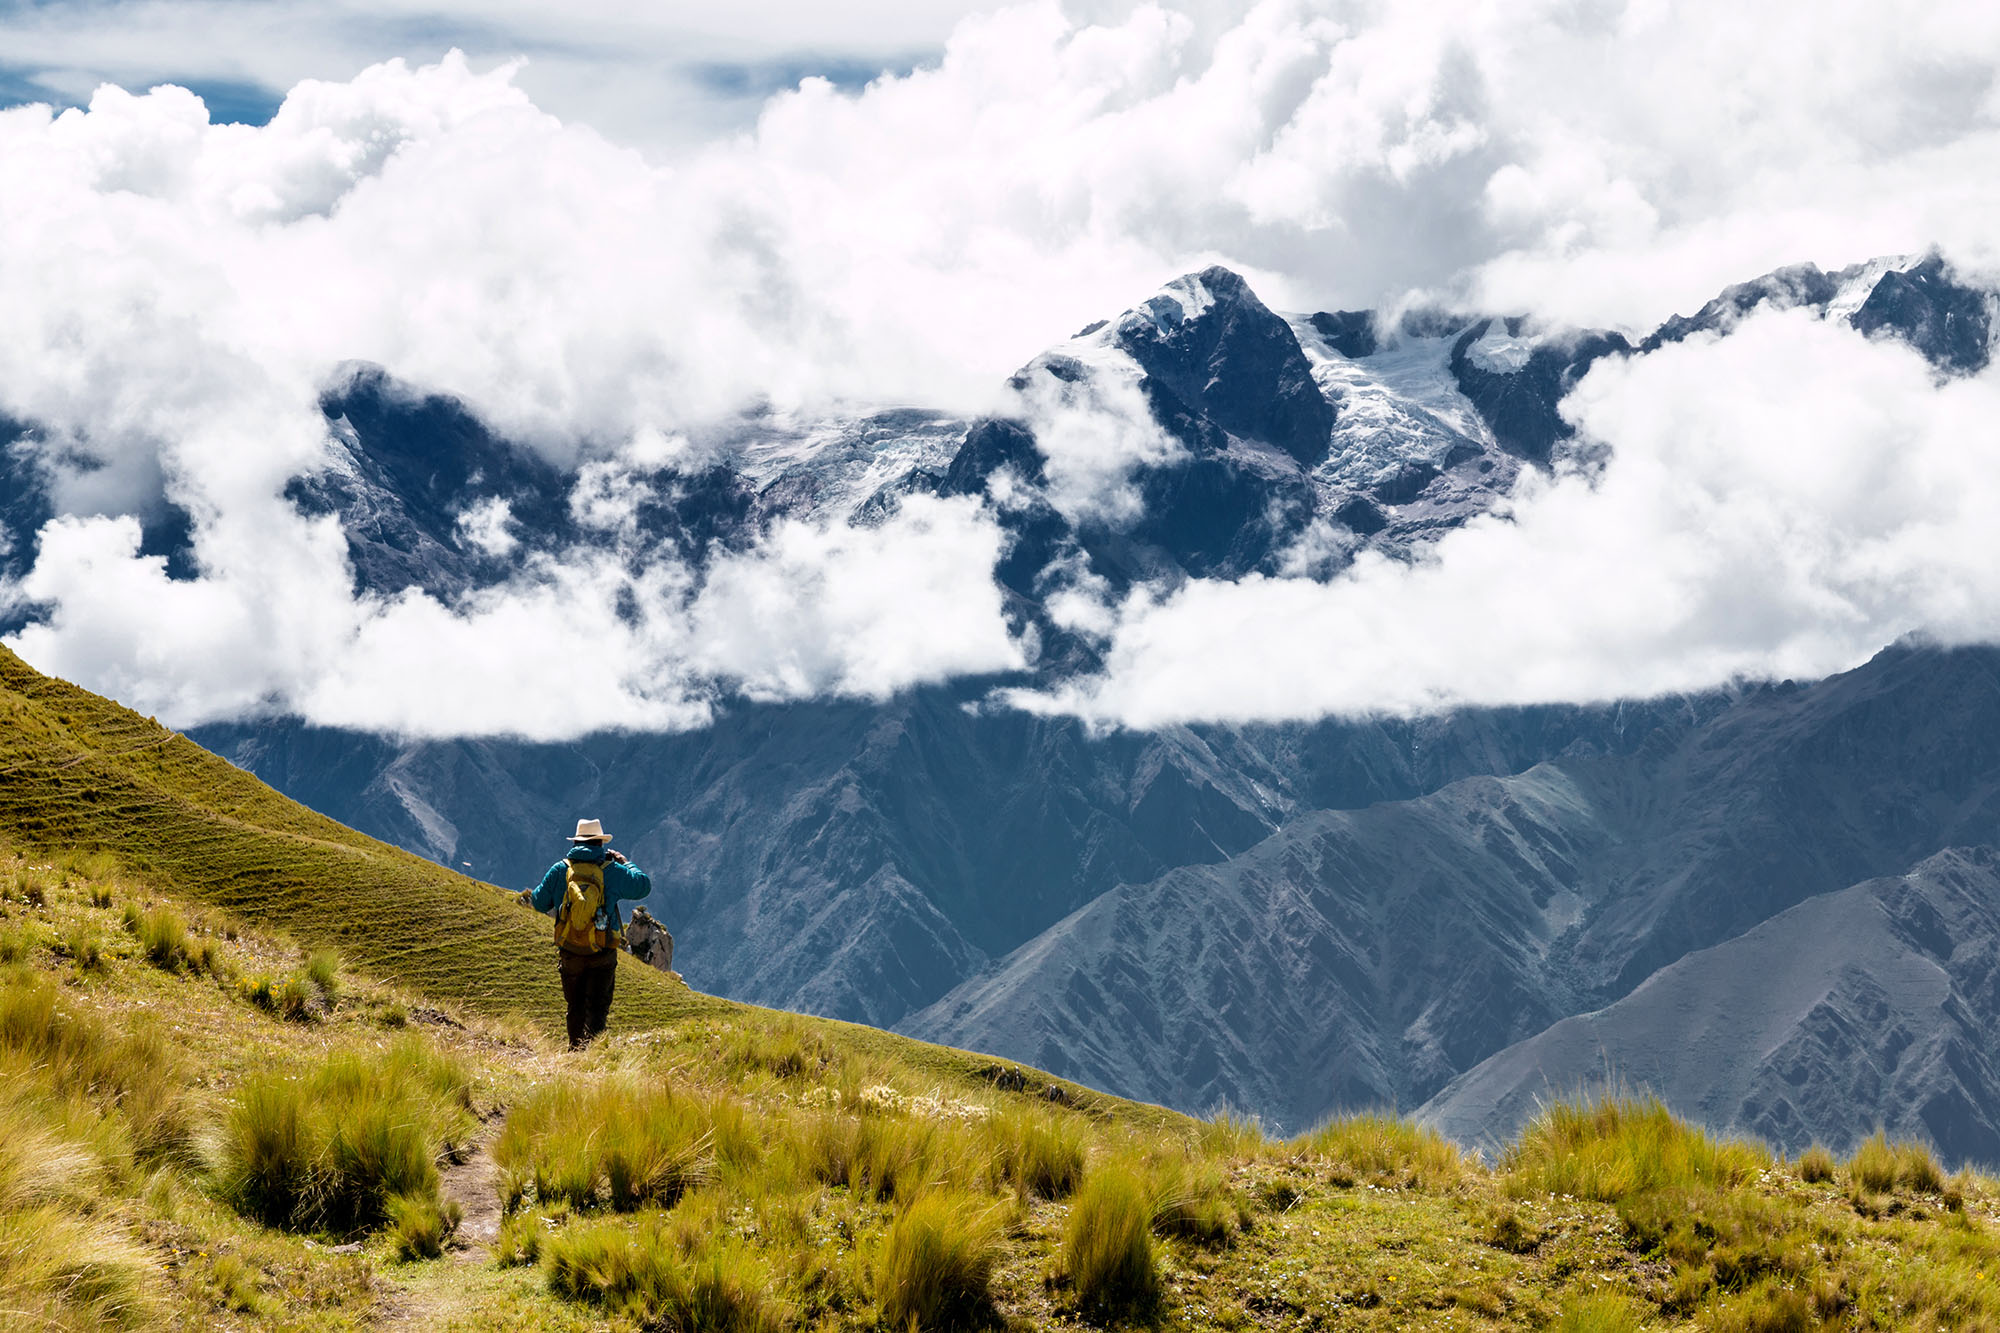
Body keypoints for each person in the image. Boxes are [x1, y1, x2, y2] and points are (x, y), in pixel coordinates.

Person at [521, 818, 652, 1049]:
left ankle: (575, 1050)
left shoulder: (560, 869)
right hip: (602, 951)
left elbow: (538, 902)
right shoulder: (612, 871)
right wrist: (625, 862)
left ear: (576, 843)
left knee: (575, 1006)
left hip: (570, 950)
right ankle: (593, 1054)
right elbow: (643, 885)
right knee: (598, 1008)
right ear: (600, 843)